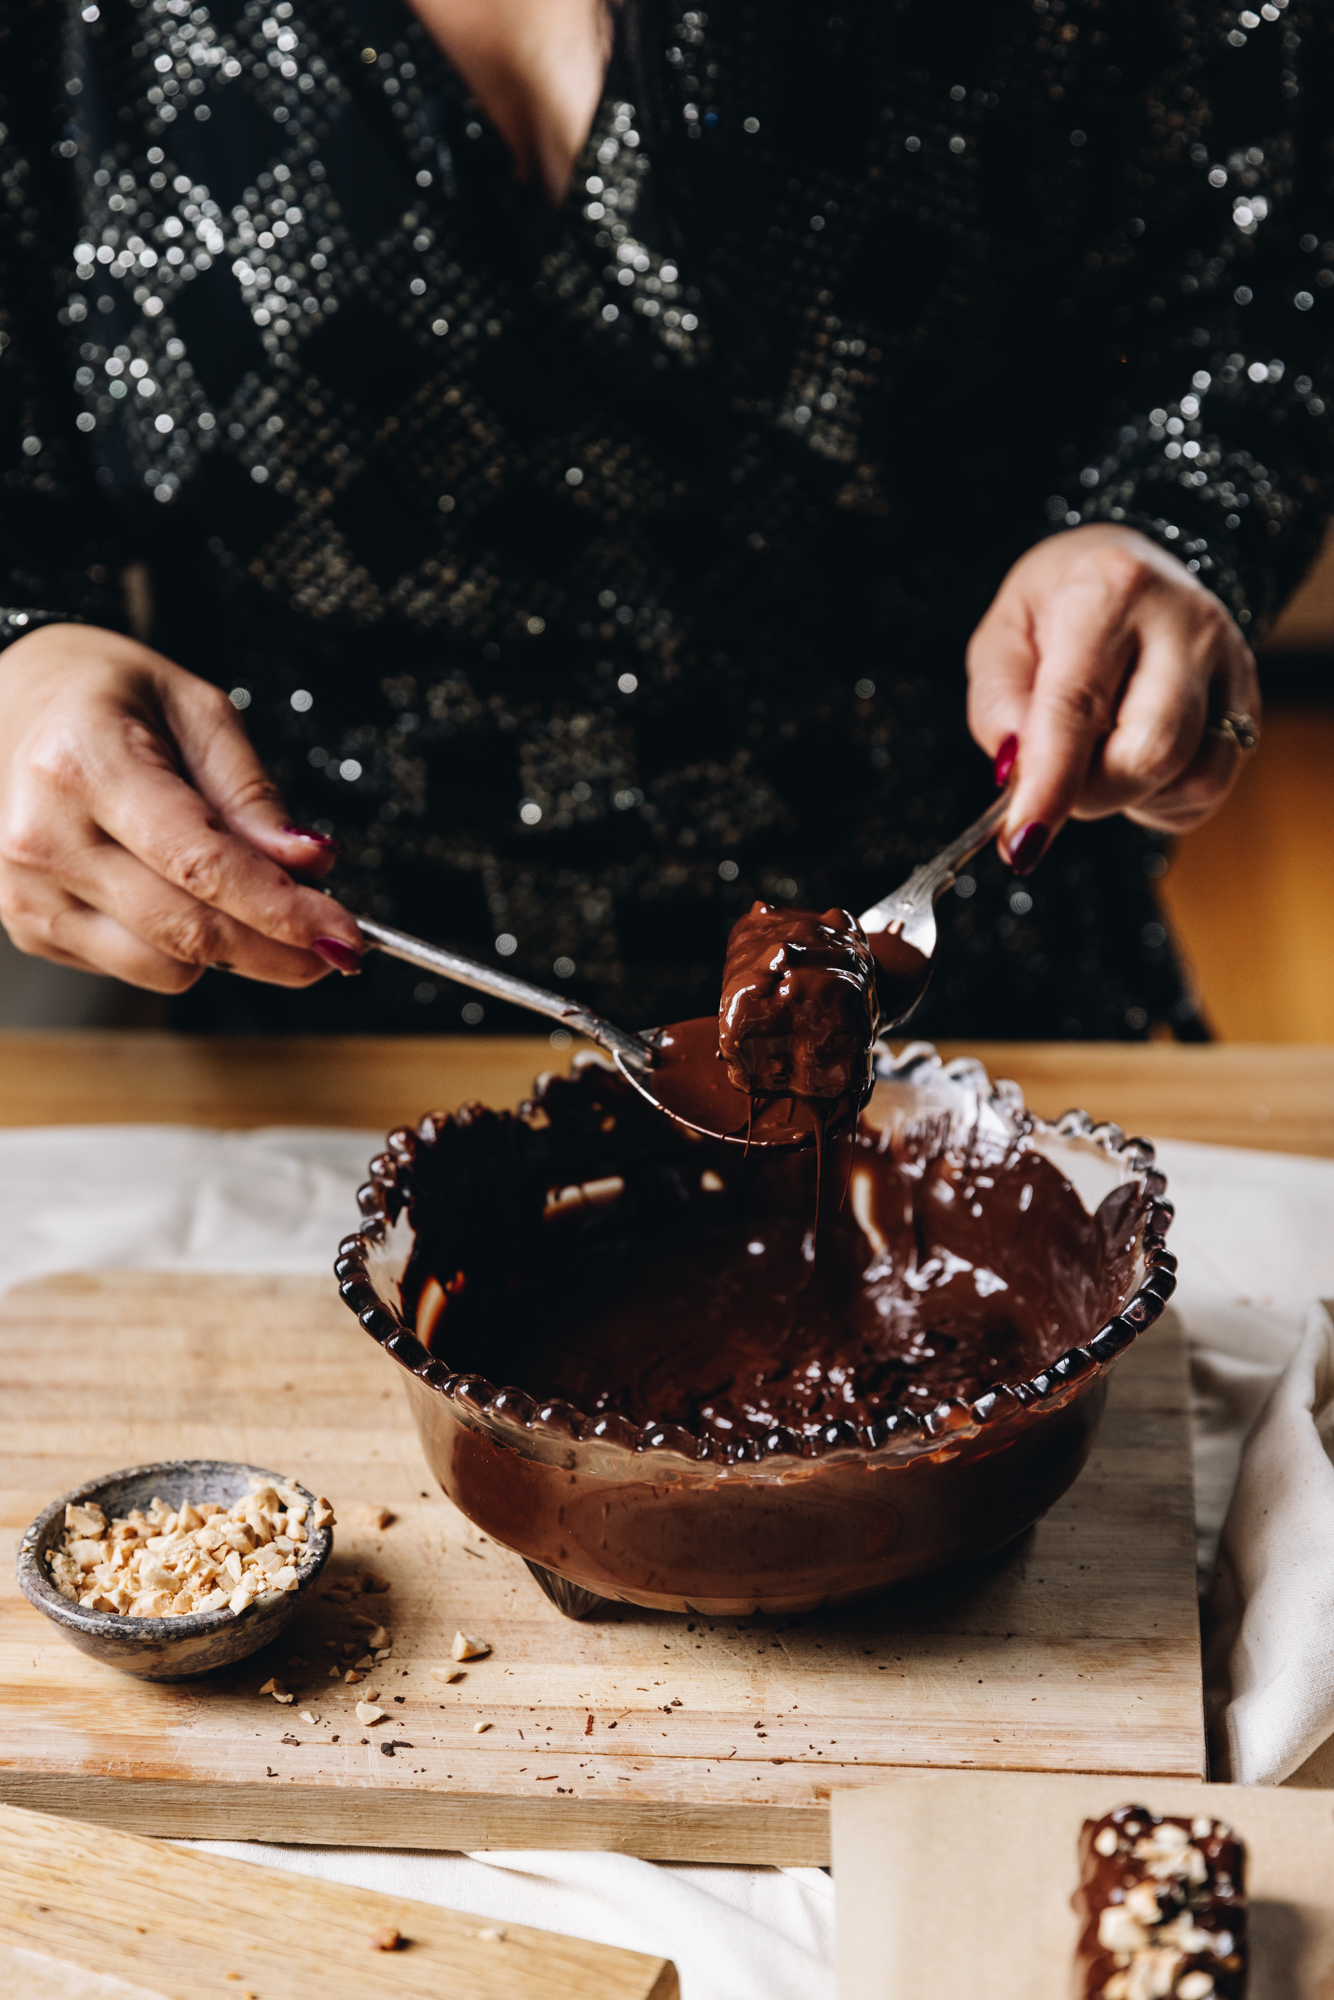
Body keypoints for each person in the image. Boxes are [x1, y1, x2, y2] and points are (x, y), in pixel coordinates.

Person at [0, 0, 1321, 1042]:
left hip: (971, 999)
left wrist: (1162, 528)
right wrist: (22, 661)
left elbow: (1261, 282)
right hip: (312, 1039)